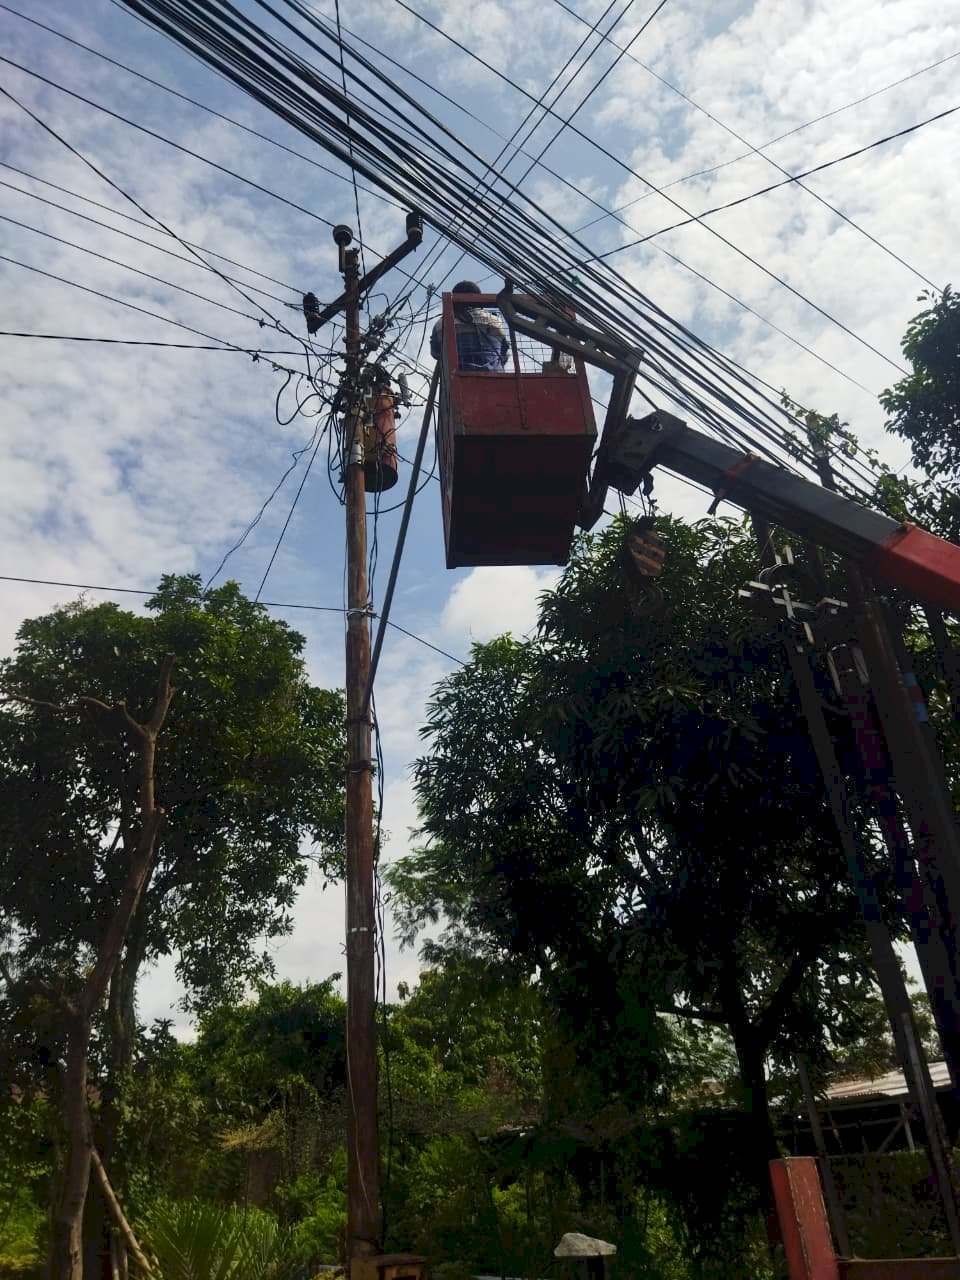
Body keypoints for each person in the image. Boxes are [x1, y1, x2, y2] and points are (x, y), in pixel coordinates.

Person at [430, 280, 509, 371]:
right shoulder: (495, 320)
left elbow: (435, 352)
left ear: (454, 303)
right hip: (495, 374)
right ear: (480, 300)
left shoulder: (442, 323)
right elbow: (503, 350)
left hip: (458, 374)